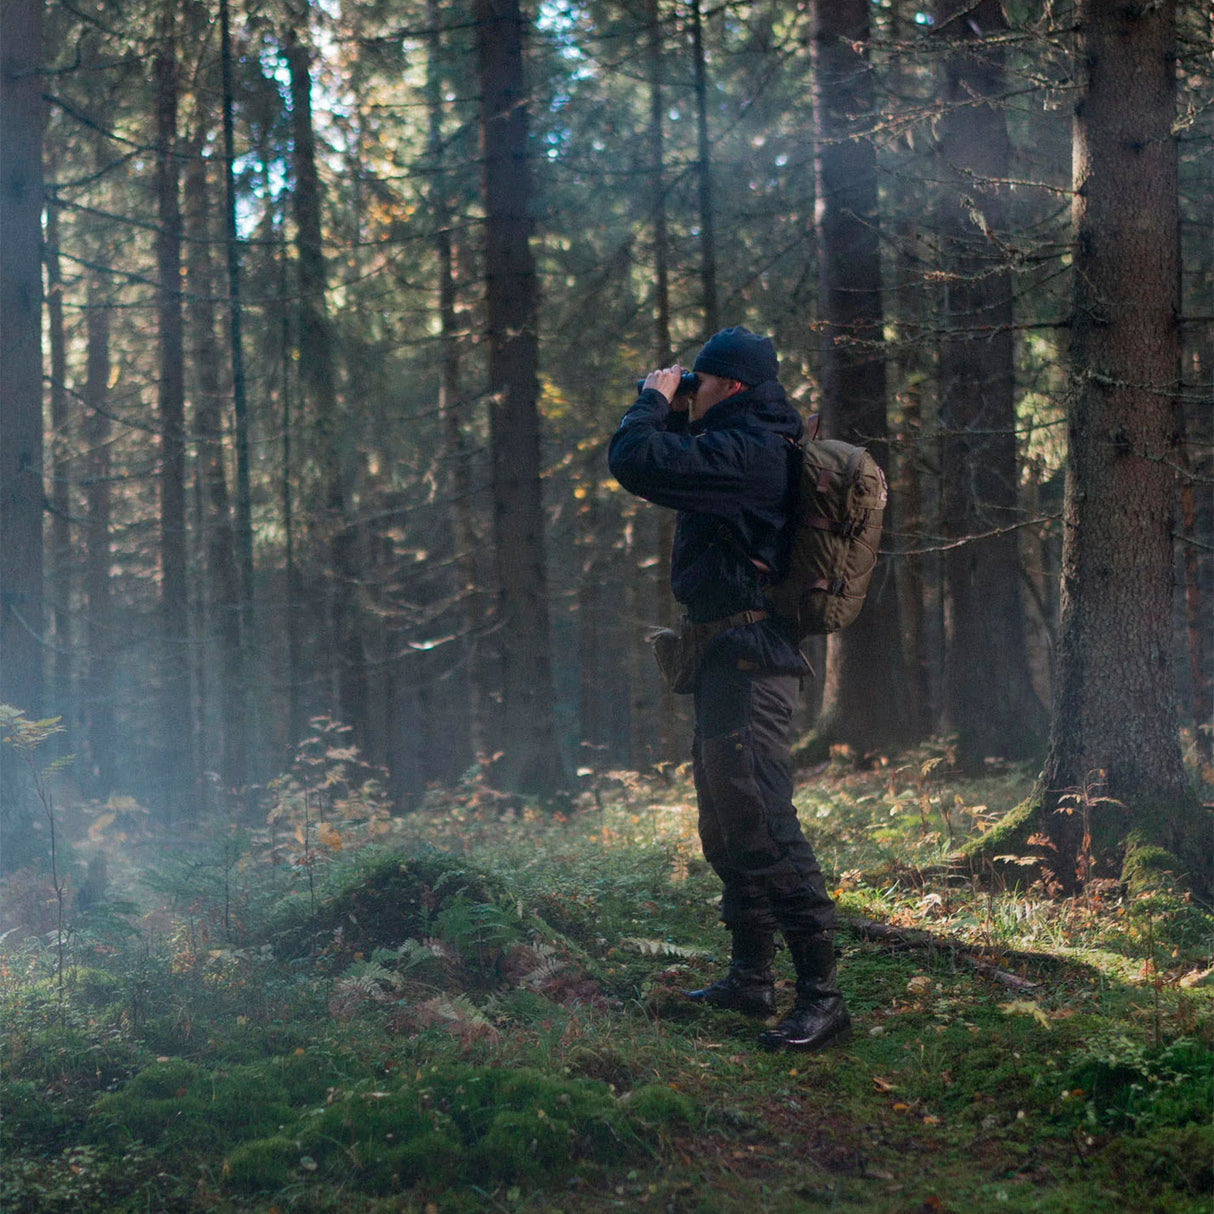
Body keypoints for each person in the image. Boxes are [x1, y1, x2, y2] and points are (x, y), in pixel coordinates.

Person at [607, 326, 850, 1052]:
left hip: (751, 665)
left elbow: (636, 459)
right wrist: (682, 404)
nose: (690, 388)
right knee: (726, 823)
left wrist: (654, 401)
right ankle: (751, 978)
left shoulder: (753, 451)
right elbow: (678, 467)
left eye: (700, 380)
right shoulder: (741, 443)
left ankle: (822, 998)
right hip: (725, 659)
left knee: (764, 822)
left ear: (733, 386)